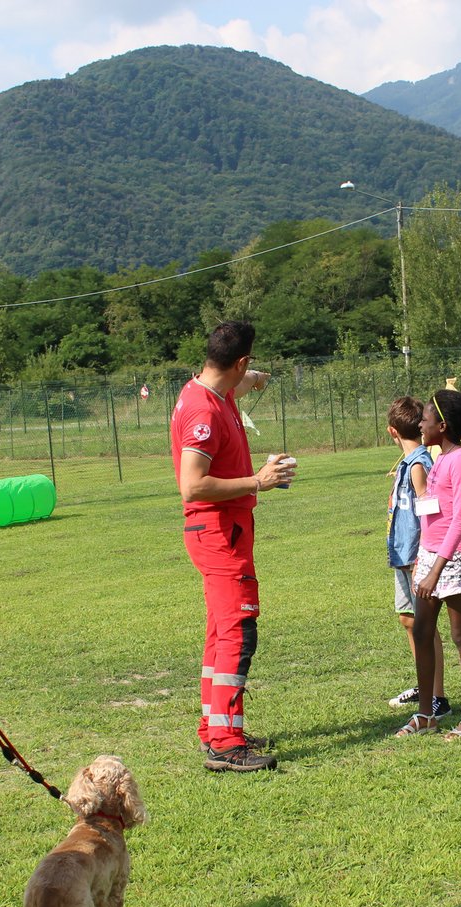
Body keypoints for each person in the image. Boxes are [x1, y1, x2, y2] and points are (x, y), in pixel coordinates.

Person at [171, 321, 295, 772]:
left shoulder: (209, 391)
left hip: (221, 531)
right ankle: (225, 741)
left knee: (220, 632)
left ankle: (215, 726)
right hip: (220, 532)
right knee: (239, 632)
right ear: (239, 360)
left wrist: (255, 379)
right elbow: (192, 485)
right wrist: (258, 481)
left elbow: (236, 382)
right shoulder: (205, 411)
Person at [397, 388, 461, 741]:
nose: (421, 422)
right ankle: (426, 714)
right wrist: (424, 557)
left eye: (427, 418)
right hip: (431, 555)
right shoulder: (437, 458)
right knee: (420, 631)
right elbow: (432, 511)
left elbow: (460, 518)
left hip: (458, 554)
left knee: (460, 634)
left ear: (443, 426)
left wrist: (436, 569)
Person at [383, 397, 446, 717]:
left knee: (424, 624)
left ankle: (437, 697)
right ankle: (426, 685)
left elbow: (428, 506)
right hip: (402, 553)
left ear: (392, 431)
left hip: (415, 555)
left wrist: (424, 554)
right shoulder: (410, 462)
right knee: (409, 620)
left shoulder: (419, 463)